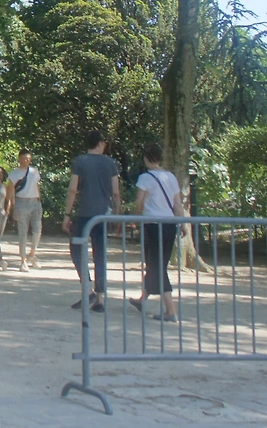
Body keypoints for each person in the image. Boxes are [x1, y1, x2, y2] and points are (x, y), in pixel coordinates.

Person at [62, 130, 121, 313]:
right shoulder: (110, 163)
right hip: (103, 214)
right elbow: (116, 192)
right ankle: (100, 299)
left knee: (76, 249)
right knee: (100, 254)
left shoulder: (79, 162)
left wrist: (67, 214)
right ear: (100, 143)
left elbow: (73, 189)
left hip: (84, 213)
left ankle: (88, 290)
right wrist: (118, 213)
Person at [129, 143, 183, 322]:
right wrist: (183, 224)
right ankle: (142, 299)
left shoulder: (145, 178)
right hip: (170, 224)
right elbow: (177, 203)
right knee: (157, 263)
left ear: (147, 158)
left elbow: (140, 202)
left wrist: (134, 218)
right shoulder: (171, 177)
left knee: (157, 265)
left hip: (153, 224)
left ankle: (170, 310)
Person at [7, 150, 42, 272]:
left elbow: (36, 186)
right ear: (19, 159)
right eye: (24, 158)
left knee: (37, 230)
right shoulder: (14, 174)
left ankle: (32, 253)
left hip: (34, 202)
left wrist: (38, 199)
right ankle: (23, 260)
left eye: (28, 158)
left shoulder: (34, 171)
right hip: (21, 202)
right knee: (22, 233)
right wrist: (12, 207)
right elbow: (11, 192)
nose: (26, 161)